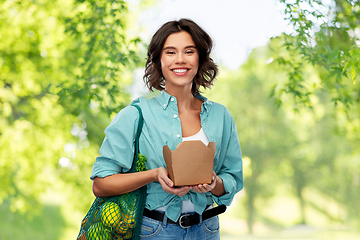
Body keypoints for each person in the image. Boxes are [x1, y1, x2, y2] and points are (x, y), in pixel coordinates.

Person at [90, 18, 243, 239]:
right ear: (159, 60)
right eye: (170, 52)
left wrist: (214, 183)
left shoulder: (221, 116)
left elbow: (232, 178)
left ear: (200, 58)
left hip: (207, 229)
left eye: (189, 51)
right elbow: (101, 184)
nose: (180, 60)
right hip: (155, 230)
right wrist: (154, 175)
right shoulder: (135, 115)